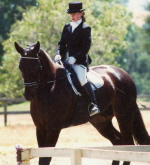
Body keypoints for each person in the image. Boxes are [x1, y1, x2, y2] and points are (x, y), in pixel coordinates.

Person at [54, 1, 100, 116]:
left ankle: (93, 104)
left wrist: (74, 58)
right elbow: (61, 43)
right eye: (71, 14)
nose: (72, 16)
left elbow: (86, 47)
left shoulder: (85, 28)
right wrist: (58, 53)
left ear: (81, 13)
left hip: (79, 61)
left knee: (82, 79)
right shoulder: (67, 26)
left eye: (74, 14)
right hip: (64, 60)